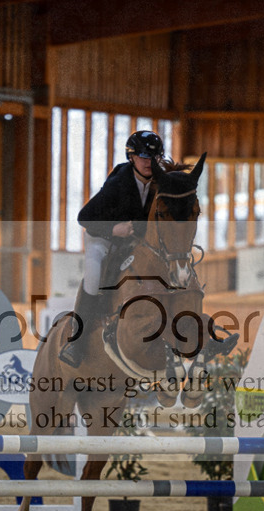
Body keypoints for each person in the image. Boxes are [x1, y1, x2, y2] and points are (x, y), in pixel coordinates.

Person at [58, 130, 165, 368]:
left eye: (154, 157)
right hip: (102, 237)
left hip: (135, 241)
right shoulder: (119, 183)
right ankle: (77, 341)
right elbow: (84, 217)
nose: (149, 163)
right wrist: (113, 230)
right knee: (94, 278)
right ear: (132, 158)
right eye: (143, 157)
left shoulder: (160, 182)